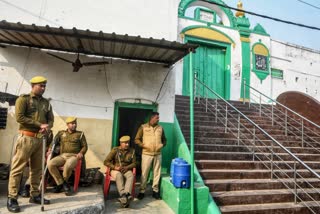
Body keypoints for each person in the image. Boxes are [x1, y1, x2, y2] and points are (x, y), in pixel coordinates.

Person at [7, 76, 54, 213]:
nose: (43, 88)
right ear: (33, 85)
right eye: (41, 85)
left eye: (45, 86)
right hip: (26, 138)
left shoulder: (47, 103)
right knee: (17, 169)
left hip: (40, 139)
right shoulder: (23, 99)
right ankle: (12, 198)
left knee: (37, 169)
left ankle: (34, 195)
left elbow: (50, 119)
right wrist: (40, 124)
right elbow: (20, 117)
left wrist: (48, 127)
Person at [47, 117, 87, 196]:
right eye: (72, 124)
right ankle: (61, 183)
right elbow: (53, 142)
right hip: (62, 156)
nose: (74, 125)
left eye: (75, 123)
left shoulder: (80, 134)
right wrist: (50, 149)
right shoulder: (61, 133)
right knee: (50, 164)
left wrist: (81, 153)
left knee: (68, 165)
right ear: (67, 125)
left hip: (74, 156)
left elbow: (85, 146)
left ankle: (65, 182)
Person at [135, 112, 166, 200]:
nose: (158, 119)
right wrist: (143, 145)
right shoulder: (143, 127)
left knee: (157, 173)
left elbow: (164, 140)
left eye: (158, 118)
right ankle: (142, 191)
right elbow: (137, 139)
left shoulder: (160, 128)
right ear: (152, 118)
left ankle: (155, 191)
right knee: (144, 173)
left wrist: (162, 145)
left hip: (158, 154)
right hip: (146, 154)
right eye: (157, 118)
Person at [104, 136, 136, 208]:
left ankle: (126, 194)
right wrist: (114, 167)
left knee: (131, 175)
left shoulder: (132, 151)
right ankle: (123, 194)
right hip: (115, 170)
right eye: (125, 143)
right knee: (119, 175)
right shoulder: (115, 150)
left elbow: (135, 163)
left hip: (126, 169)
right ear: (121, 143)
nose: (127, 144)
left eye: (128, 143)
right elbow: (106, 162)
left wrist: (127, 167)